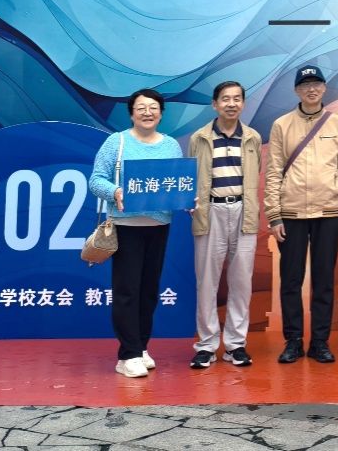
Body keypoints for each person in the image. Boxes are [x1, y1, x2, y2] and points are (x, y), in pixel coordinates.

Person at [89, 88, 184, 378]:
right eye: (141, 108)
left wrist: (186, 200)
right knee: (127, 291)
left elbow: (176, 184)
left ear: (161, 113)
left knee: (148, 291)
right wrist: (115, 191)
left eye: (153, 107)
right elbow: (96, 180)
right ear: (131, 113)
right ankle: (127, 355)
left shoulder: (171, 146)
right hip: (126, 226)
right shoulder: (116, 142)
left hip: (158, 227)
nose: (147, 112)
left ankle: (141, 347)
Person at [265, 65, 338, 365]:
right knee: (291, 280)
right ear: (296, 90)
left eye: (316, 84)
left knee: (324, 280)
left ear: (324, 88)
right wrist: (274, 215)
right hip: (291, 213)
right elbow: (273, 171)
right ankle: (293, 341)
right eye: (305, 85)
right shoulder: (281, 125)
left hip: (328, 212)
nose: (311, 89)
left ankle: (319, 342)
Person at [186, 81, 263, 370]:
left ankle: (235, 345)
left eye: (237, 99)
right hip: (211, 211)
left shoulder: (253, 137)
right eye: (225, 99)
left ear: (243, 103)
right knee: (207, 282)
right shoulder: (199, 138)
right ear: (215, 104)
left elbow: (255, 175)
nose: (231, 104)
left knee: (241, 282)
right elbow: (191, 176)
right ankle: (206, 345)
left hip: (244, 210)